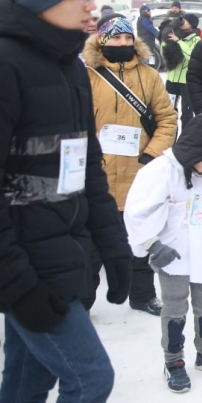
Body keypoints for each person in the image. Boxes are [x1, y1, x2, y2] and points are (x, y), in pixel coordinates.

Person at [0, 0, 132, 403]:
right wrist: (18, 287)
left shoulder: (70, 68)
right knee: (90, 379)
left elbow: (88, 171)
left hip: (63, 255)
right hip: (26, 267)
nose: (91, 6)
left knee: (25, 385)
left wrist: (114, 247)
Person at [124, 113, 202, 393]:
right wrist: (153, 245)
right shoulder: (160, 172)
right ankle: (174, 361)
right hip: (173, 252)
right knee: (175, 305)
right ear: (193, 152)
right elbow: (138, 212)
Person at [84, 16, 179, 315]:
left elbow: (167, 119)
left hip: (139, 172)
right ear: (102, 40)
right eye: (116, 38)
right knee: (90, 244)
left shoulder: (149, 76)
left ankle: (142, 295)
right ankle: (81, 301)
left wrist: (151, 155)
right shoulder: (86, 74)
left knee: (141, 238)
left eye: (127, 38)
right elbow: (74, 120)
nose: (123, 44)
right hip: (97, 174)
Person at [162, 13, 201, 128]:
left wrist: (178, 41)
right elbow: (163, 53)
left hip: (186, 81)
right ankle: (170, 138)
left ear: (191, 25)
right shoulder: (174, 32)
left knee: (187, 114)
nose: (182, 22)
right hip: (172, 79)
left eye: (185, 21)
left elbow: (191, 55)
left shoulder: (196, 39)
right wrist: (166, 39)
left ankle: (185, 140)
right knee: (169, 112)